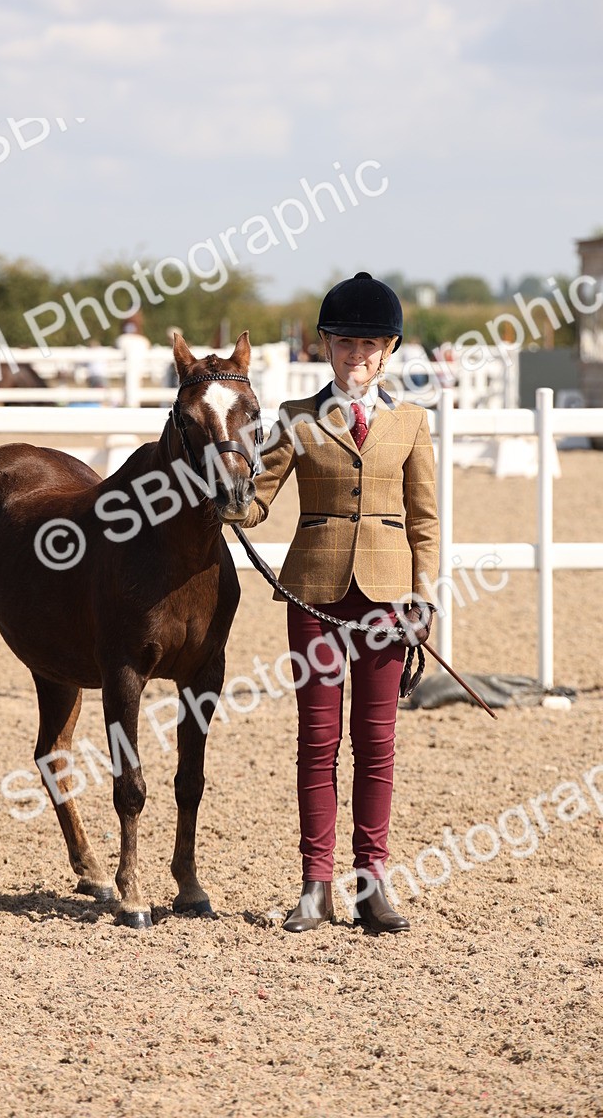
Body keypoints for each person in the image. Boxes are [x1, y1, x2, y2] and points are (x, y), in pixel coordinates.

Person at [239, 271, 440, 934]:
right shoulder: (297, 420)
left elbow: (425, 521)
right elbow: (259, 499)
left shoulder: (410, 422)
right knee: (317, 740)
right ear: (326, 346)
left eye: (370, 345)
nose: (357, 356)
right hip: (316, 592)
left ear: (389, 350)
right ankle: (314, 885)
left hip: (387, 599)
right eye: (345, 344)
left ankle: (372, 884)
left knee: (376, 743)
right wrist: (228, 496)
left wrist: (425, 597)